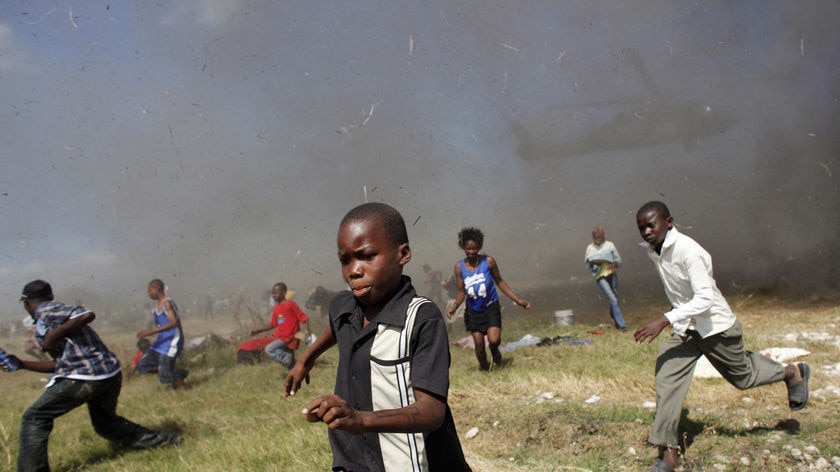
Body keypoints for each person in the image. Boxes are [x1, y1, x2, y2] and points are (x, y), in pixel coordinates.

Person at [284, 202, 472, 472]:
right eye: (345, 260)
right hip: (355, 461)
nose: (354, 270)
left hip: (416, 462)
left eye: (367, 256)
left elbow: (431, 411)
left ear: (403, 254)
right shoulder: (344, 305)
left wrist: (360, 420)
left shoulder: (420, 319)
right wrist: (306, 359)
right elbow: (335, 327)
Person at [633, 201, 810, 472]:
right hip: (686, 330)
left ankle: (792, 372)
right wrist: (675, 315)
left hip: (715, 327)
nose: (645, 231)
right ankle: (668, 457)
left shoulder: (689, 251)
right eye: (641, 227)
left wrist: (664, 319)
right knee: (667, 379)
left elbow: (704, 298)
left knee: (743, 377)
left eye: (651, 224)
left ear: (669, 222)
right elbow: (679, 290)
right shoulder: (653, 250)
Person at [2, 280, 179, 471]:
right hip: (108, 373)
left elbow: (86, 314)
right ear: (51, 295)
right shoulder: (46, 320)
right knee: (106, 424)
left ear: (26, 302)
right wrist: (22, 363)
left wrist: (52, 337)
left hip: (87, 376)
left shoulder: (47, 310)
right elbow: (60, 364)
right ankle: (168, 441)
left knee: (34, 417)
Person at [446, 227, 531, 371]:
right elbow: (461, 291)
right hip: (473, 311)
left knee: (494, 340)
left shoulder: (489, 261)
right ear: (463, 248)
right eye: (468, 249)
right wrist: (454, 306)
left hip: (491, 307)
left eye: (474, 248)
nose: (472, 252)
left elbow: (500, 282)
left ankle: (494, 350)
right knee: (478, 344)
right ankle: (485, 370)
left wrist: (517, 300)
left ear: (479, 247)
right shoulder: (459, 267)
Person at [237, 282, 311, 368]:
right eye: (272, 293)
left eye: (276, 292)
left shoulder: (291, 305)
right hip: (282, 337)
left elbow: (305, 318)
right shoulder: (276, 308)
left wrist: (307, 332)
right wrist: (258, 331)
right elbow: (273, 324)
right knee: (289, 365)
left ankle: (296, 365)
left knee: (269, 349)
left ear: (284, 292)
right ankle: (297, 368)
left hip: (289, 337)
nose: (273, 295)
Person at [135, 279, 190, 390]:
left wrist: (149, 332)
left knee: (166, 375)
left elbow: (173, 323)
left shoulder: (167, 303)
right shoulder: (156, 308)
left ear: (156, 289)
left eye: (149, 291)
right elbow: (161, 325)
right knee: (142, 365)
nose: (149, 294)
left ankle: (182, 385)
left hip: (172, 341)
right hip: (161, 343)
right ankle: (174, 373)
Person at [584, 226, 627, 330]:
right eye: (595, 237)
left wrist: (614, 264)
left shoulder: (609, 245)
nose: (597, 239)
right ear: (592, 237)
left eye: (599, 237)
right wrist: (594, 262)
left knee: (615, 297)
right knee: (612, 298)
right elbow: (587, 264)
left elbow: (619, 260)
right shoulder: (590, 248)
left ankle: (614, 315)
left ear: (604, 237)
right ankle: (622, 325)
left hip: (611, 274)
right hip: (599, 276)